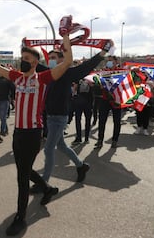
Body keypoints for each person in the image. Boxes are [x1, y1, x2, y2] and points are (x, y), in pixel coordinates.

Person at [0, 21, 73, 236]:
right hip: (18, 132)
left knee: (21, 176)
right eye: (22, 58)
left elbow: (68, 63)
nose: (23, 62)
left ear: (36, 62)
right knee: (24, 171)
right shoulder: (17, 77)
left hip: (33, 133)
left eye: (27, 59)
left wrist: (65, 38)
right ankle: (47, 189)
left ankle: (20, 218)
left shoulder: (44, 78)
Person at [39, 45, 110, 187]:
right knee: (62, 146)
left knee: (48, 149)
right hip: (50, 116)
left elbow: (87, 66)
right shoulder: (49, 72)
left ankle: (44, 183)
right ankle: (81, 165)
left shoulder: (67, 73)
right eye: (49, 58)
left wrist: (104, 52)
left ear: (62, 60)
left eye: (53, 58)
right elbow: (33, 65)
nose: (50, 61)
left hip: (59, 117)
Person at [95, 55, 122, 150]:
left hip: (116, 100)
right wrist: (100, 85)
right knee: (102, 121)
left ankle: (115, 141)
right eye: (108, 61)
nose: (109, 63)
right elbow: (97, 82)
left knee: (117, 121)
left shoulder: (121, 72)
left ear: (116, 62)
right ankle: (99, 141)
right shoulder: (103, 71)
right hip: (105, 99)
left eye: (111, 61)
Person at [0, 71, 15, 141]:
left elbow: (13, 88)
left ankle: (1, 132)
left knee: (3, 116)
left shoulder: (7, 79)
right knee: (1, 116)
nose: (0, 72)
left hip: (5, 100)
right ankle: (5, 130)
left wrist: (13, 98)